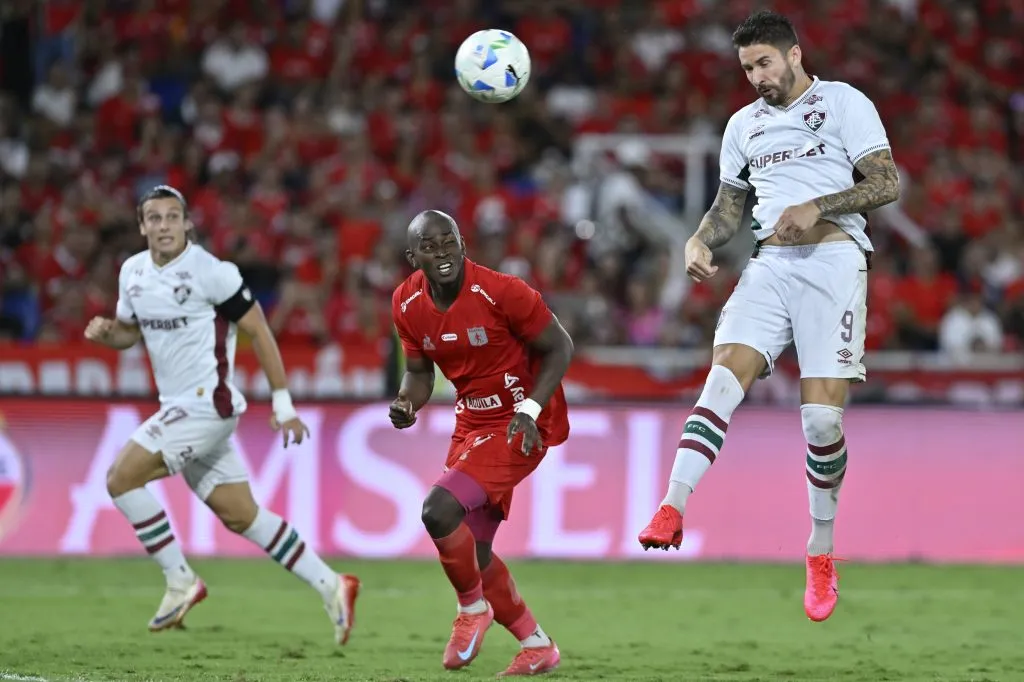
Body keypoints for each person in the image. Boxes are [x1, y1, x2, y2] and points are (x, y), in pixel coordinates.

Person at [637, 10, 901, 623]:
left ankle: (820, 549)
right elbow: (730, 207)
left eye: (764, 63)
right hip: (770, 267)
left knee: (817, 422)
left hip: (834, 263)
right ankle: (672, 505)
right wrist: (700, 240)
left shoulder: (842, 103)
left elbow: (885, 181)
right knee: (721, 380)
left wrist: (820, 204)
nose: (756, 76)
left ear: (794, 54)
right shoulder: (742, 126)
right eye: (747, 68)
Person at [84, 185, 360, 641]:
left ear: (187, 223)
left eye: (173, 217)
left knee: (120, 478)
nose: (165, 226)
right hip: (178, 406)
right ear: (142, 227)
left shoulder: (213, 273)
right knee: (240, 514)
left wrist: (283, 404)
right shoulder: (132, 273)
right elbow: (129, 334)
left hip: (207, 403)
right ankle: (333, 585)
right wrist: (107, 334)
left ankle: (180, 581)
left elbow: (259, 331)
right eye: (155, 218)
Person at [389, 210, 573, 676]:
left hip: (521, 420)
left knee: (438, 509)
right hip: (472, 420)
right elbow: (417, 374)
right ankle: (537, 646)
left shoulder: (502, 291)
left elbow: (560, 346)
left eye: (448, 240)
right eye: (429, 246)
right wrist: (408, 404)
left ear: (462, 243)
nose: (442, 252)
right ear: (414, 257)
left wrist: (531, 408)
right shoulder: (406, 303)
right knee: (477, 552)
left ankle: (472, 609)